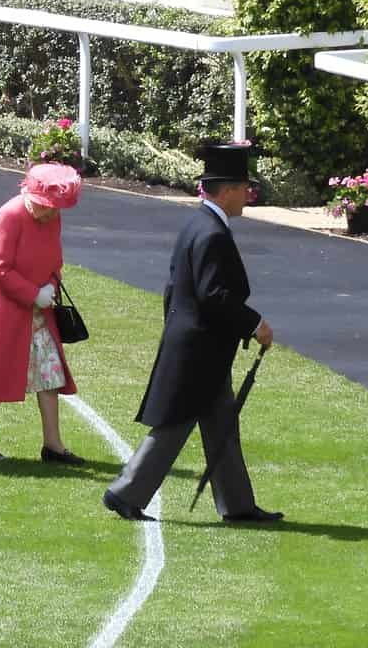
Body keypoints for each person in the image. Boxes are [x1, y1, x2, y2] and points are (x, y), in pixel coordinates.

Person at [105, 142, 282, 524]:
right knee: (174, 425)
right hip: (200, 349)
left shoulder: (198, 225)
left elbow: (174, 288)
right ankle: (125, 493)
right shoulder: (213, 234)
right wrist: (255, 324)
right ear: (229, 189)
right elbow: (214, 294)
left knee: (222, 425)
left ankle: (237, 505)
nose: (248, 198)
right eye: (245, 189)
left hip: (199, 346)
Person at [0, 162, 84, 462]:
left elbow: (54, 258)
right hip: (5, 310)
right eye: (47, 206)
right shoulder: (9, 216)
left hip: (39, 311)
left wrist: (49, 285)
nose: (51, 213)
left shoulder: (52, 217)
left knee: (50, 373)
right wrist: (34, 294)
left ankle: (53, 445)